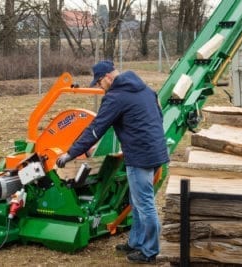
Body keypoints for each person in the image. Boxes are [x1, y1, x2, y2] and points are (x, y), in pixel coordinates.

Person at [56, 60, 169, 264]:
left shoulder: (115, 97)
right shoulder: (146, 90)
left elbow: (96, 128)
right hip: (155, 151)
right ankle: (135, 243)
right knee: (136, 201)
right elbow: (157, 118)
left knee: (145, 204)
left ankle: (150, 251)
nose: (99, 87)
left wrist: (70, 154)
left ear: (108, 77)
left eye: (99, 82)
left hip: (140, 156)